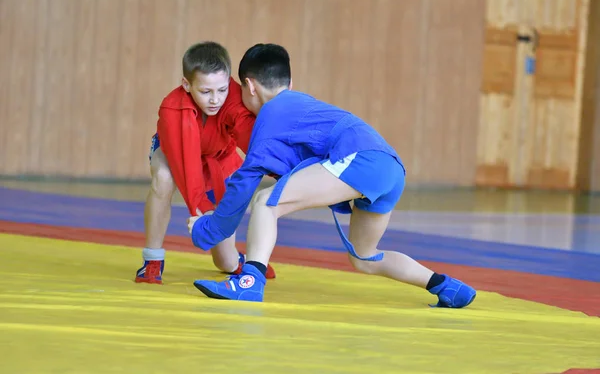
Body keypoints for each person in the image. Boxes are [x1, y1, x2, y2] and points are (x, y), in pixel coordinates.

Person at [187, 43, 476, 308]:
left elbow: (245, 181)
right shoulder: (301, 103)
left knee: (265, 202)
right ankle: (446, 287)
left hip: (361, 159)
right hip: (390, 167)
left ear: (248, 86)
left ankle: (249, 283)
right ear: (290, 81)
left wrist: (208, 229)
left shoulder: (272, 113)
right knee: (364, 256)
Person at [135, 41, 275, 284]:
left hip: (220, 157)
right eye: (205, 92)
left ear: (228, 81)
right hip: (174, 152)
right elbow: (186, 164)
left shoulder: (233, 96)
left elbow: (249, 136)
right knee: (163, 178)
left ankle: (235, 260)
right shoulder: (173, 109)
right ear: (186, 85)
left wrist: (278, 166)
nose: (215, 100)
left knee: (226, 261)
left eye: (221, 90)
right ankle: (152, 259)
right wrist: (201, 213)